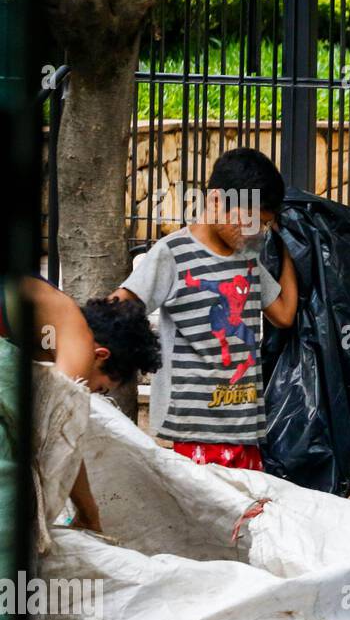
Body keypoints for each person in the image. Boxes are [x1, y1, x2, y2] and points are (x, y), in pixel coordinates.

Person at [110, 148, 298, 471]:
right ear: (214, 201)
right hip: (192, 432)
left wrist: (293, 249)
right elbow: (119, 306)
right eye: (247, 219)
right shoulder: (172, 254)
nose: (254, 231)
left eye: (263, 224)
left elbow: (283, 314)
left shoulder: (248, 257)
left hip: (244, 431)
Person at [1, 277, 162, 530]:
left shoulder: (52, 323)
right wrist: (89, 516)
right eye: (98, 388)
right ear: (100, 355)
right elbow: (60, 434)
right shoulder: (79, 339)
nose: (90, 393)